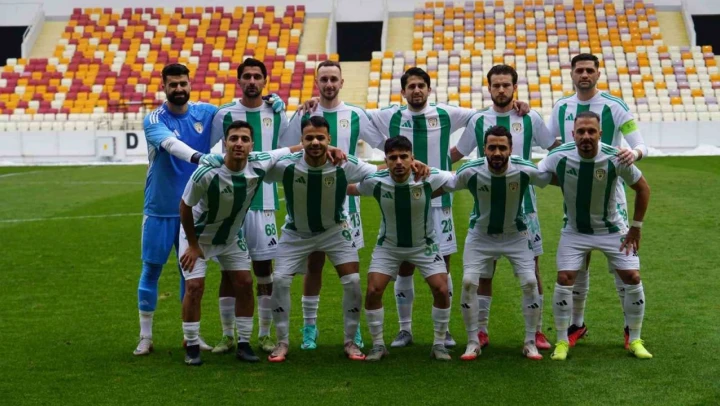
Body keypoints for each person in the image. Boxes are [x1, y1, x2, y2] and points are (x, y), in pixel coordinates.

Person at [263, 116, 427, 362]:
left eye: (321, 138)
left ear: (329, 139)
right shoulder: (286, 165)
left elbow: (378, 171)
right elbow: (258, 163)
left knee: (352, 281)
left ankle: (350, 340)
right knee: (280, 281)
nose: (315, 142)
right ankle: (282, 341)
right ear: (301, 140)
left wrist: (413, 163)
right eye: (309, 138)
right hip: (296, 232)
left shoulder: (343, 163)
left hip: (335, 230)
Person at [448, 64, 560, 350]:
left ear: (514, 87)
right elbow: (457, 153)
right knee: (485, 271)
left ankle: (536, 331)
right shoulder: (478, 120)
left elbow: (554, 148)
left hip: (525, 208)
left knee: (533, 269)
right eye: (495, 85)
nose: (501, 90)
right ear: (488, 88)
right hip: (487, 204)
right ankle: (481, 330)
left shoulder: (530, 117)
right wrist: (421, 166)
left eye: (506, 85)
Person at [282, 60, 386, 351]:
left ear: (342, 83)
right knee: (313, 267)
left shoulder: (355, 114)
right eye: (324, 79)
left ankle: (354, 331)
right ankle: (309, 328)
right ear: (317, 83)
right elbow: (284, 148)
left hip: (347, 206)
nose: (329, 84)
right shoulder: (304, 113)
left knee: (349, 272)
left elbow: (383, 145)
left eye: (333, 79)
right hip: (309, 203)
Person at [548, 53, 649, 349]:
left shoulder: (615, 106)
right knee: (578, 263)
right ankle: (577, 324)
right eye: (579, 70)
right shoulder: (561, 106)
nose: (584, 75)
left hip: (611, 193)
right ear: (571, 74)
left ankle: (631, 330)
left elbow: (639, 143)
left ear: (597, 74)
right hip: (576, 191)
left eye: (589, 70)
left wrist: (634, 153)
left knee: (622, 267)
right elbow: (549, 142)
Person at [178, 120, 297, 365]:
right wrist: (193, 245)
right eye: (234, 138)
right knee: (194, 287)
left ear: (252, 145)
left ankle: (243, 344)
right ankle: (191, 345)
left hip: (231, 237)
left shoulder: (259, 162)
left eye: (244, 139)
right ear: (225, 143)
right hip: (197, 237)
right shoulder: (206, 172)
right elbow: (185, 206)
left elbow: (293, 149)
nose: (239, 143)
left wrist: (331, 149)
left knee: (244, 283)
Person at [134, 63, 223, 356]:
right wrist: (200, 157)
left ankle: (190, 337)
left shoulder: (205, 112)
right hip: (160, 208)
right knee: (152, 269)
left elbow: (237, 114)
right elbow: (171, 145)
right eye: (173, 84)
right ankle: (146, 336)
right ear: (164, 86)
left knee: (190, 275)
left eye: (183, 83)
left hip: (193, 211)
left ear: (190, 83)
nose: (179, 89)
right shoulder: (154, 119)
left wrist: (271, 102)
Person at [443, 125, 550, 361]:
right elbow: (446, 183)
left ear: (511, 149)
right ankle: (473, 341)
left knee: (530, 281)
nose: (497, 153)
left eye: (502, 147)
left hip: (515, 234)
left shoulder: (524, 169)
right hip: (480, 235)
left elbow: (553, 176)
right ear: (484, 149)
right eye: (492, 147)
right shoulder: (471, 170)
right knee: (469, 282)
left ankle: (530, 342)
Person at [346, 136, 454, 361]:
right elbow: (351, 188)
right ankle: (378, 345)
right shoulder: (376, 181)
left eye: (404, 157)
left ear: (412, 158)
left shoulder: (428, 177)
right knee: (373, 290)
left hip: (424, 245)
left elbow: (458, 179)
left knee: (442, 289)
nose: (398, 162)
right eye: (393, 157)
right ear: (385, 160)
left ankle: (439, 343)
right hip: (389, 247)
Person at [209, 58, 290, 354]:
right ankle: (227, 335)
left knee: (264, 270)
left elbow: (289, 147)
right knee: (228, 271)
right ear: (239, 81)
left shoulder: (276, 112)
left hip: (264, 201)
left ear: (265, 81)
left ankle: (265, 335)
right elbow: (208, 149)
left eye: (257, 76)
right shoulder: (224, 114)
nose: (252, 81)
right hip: (230, 204)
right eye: (247, 76)